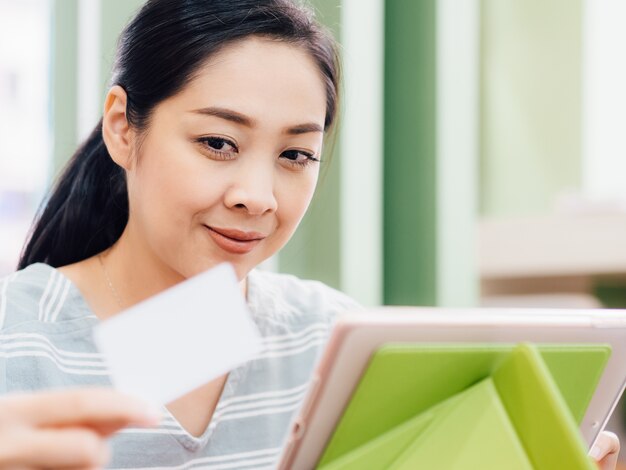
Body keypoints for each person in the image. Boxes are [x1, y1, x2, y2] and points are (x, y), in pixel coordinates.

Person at [0, 0, 619, 468]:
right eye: (217, 143)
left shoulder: (331, 341)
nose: (258, 196)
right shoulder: (18, 339)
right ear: (122, 128)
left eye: (295, 155)